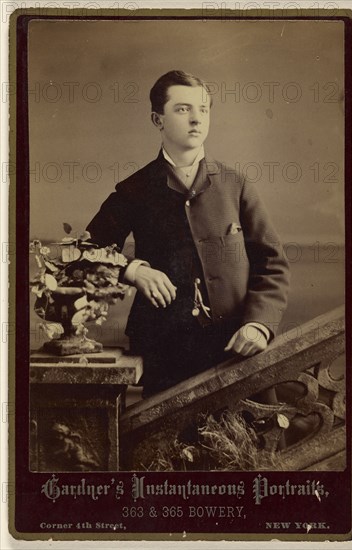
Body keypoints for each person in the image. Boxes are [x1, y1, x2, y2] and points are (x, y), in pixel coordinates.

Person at [87, 70, 290, 397]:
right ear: (158, 120)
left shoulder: (235, 185)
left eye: (203, 109)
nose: (196, 119)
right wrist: (133, 270)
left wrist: (259, 324)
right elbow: (84, 252)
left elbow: (272, 264)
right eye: (183, 109)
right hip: (165, 351)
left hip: (237, 348)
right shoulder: (134, 190)